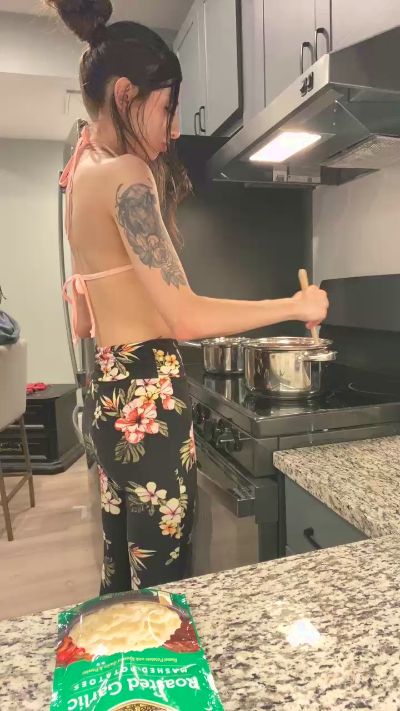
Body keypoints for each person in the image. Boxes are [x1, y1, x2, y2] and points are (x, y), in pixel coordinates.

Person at [47, 0, 329, 595]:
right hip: (149, 398)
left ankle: (121, 660)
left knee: (123, 585)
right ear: (126, 94)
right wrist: (295, 306)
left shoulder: (80, 167)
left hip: (110, 395)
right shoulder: (126, 174)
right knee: (165, 588)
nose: (174, 128)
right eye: (168, 106)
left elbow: (86, 318)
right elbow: (185, 316)